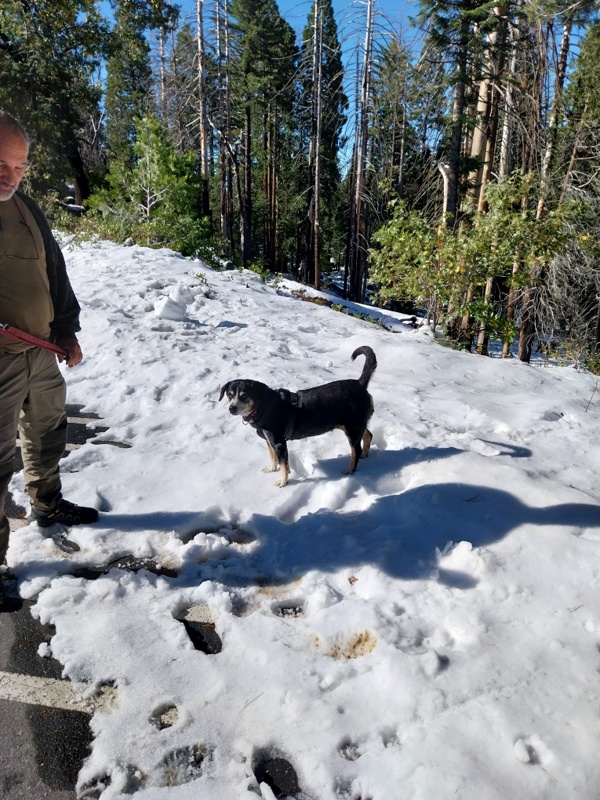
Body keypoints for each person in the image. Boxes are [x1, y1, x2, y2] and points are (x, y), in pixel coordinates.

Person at [0, 109, 98, 569]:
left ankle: (47, 503)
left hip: (39, 352)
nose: (10, 175)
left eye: (19, 166)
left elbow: (53, 269)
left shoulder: (27, 208)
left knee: (46, 432)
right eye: (1, 164)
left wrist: (66, 329)